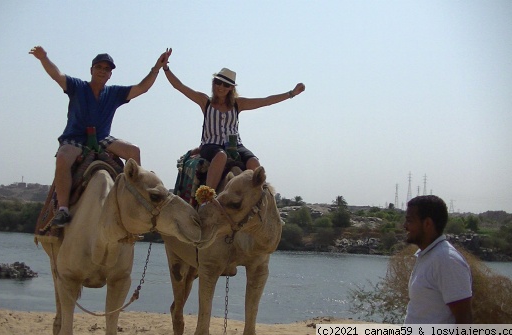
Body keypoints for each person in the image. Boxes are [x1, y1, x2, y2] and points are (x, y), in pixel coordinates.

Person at [29, 46, 168, 226]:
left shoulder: (113, 93)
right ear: (91, 70)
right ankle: (63, 209)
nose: (102, 71)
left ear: (110, 74)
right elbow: (57, 75)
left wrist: (156, 68)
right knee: (63, 158)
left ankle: (133, 198)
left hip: (102, 138)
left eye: (106, 69)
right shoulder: (77, 87)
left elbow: (142, 88)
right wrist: (44, 58)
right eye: (99, 67)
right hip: (75, 138)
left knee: (134, 151)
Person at [162, 48, 305, 190]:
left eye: (226, 85)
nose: (221, 87)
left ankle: (262, 201)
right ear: (214, 83)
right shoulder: (205, 102)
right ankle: (206, 196)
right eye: (218, 82)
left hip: (235, 145)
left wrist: (291, 93)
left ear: (231, 88)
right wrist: (166, 68)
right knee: (221, 156)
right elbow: (179, 86)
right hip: (211, 145)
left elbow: (265, 101)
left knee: (255, 163)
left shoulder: (238, 104)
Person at [403, 195, 473, 324]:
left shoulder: (446, 260)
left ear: (427, 223)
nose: (405, 226)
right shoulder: (429, 255)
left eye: (409, 220)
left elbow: (464, 319)